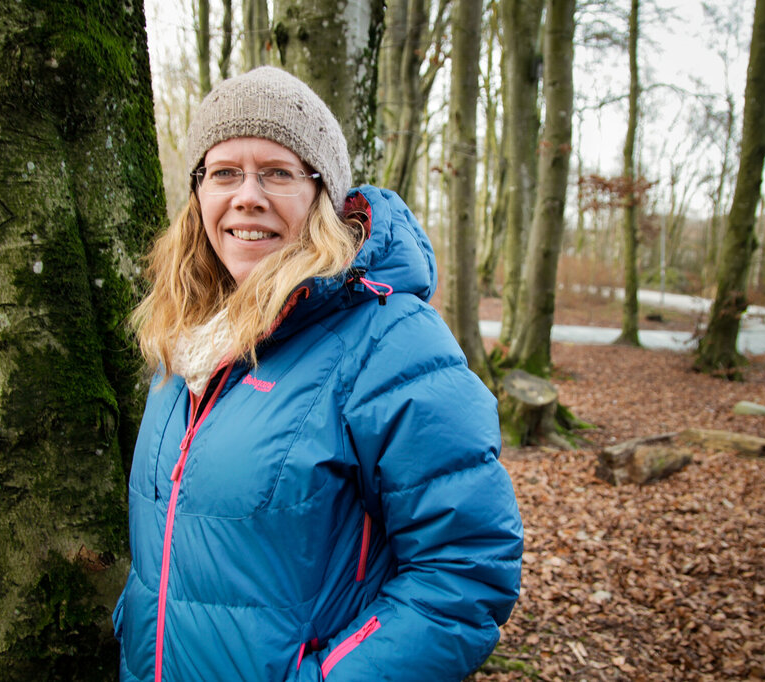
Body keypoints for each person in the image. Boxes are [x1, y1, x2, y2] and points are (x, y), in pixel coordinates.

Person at [114, 66, 523, 682]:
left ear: (322, 196)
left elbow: (465, 566)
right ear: (198, 193)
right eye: (225, 172)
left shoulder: (389, 341)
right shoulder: (184, 338)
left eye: (277, 172)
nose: (247, 195)